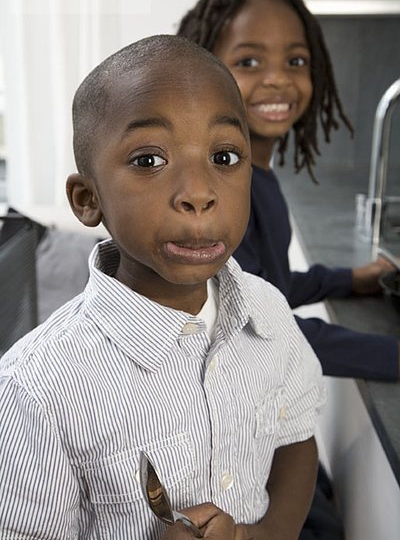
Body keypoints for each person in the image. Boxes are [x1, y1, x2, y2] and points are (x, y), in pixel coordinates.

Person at [0, 35, 325, 539]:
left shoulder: (269, 312)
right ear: (89, 200)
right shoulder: (35, 392)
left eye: (225, 157)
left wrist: (257, 535)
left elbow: (296, 443)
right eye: (150, 160)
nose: (199, 193)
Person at [177, 0, 399, 382]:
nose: (278, 79)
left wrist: (345, 280)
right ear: (202, 71)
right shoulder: (213, 192)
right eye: (249, 62)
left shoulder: (254, 175)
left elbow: (263, 289)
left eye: (295, 61)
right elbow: (261, 330)